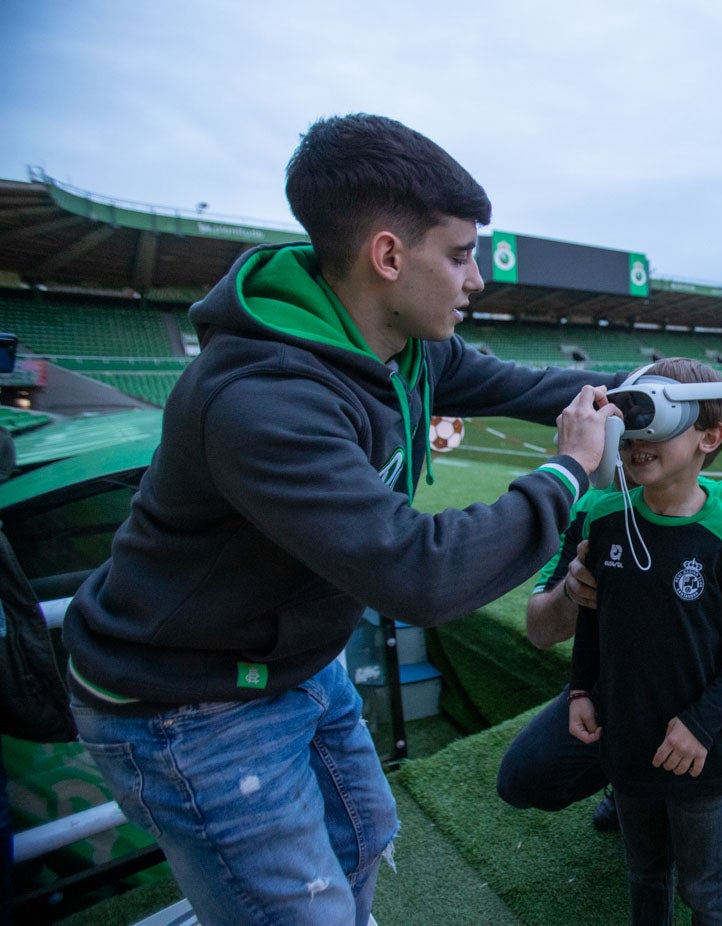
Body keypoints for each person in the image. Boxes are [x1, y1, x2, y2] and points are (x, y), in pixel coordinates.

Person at [60, 113, 627, 925]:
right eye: (461, 255)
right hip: (186, 701)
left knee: (364, 838)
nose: (476, 282)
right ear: (389, 256)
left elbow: (522, 386)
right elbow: (422, 573)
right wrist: (567, 470)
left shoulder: (405, 345)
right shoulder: (260, 398)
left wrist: (649, 388)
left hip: (290, 662)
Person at [547, 357, 722, 924]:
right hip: (627, 742)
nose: (635, 440)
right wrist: (581, 688)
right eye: (626, 425)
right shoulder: (605, 520)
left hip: (702, 754)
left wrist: (700, 724)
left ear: (710, 436)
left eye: (654, 420)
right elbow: (592, 619)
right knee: (644, 874)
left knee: (705, 885)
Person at [497, 506, 722, 880]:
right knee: (525, 778)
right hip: (619, 682)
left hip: (711, 684)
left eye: (651, 443)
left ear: (702, 444)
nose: (636, 452)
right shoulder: (594, 513)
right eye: (627, 445)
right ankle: (630, 786)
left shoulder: (718, 507)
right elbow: (540, 631)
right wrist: (571, 590)